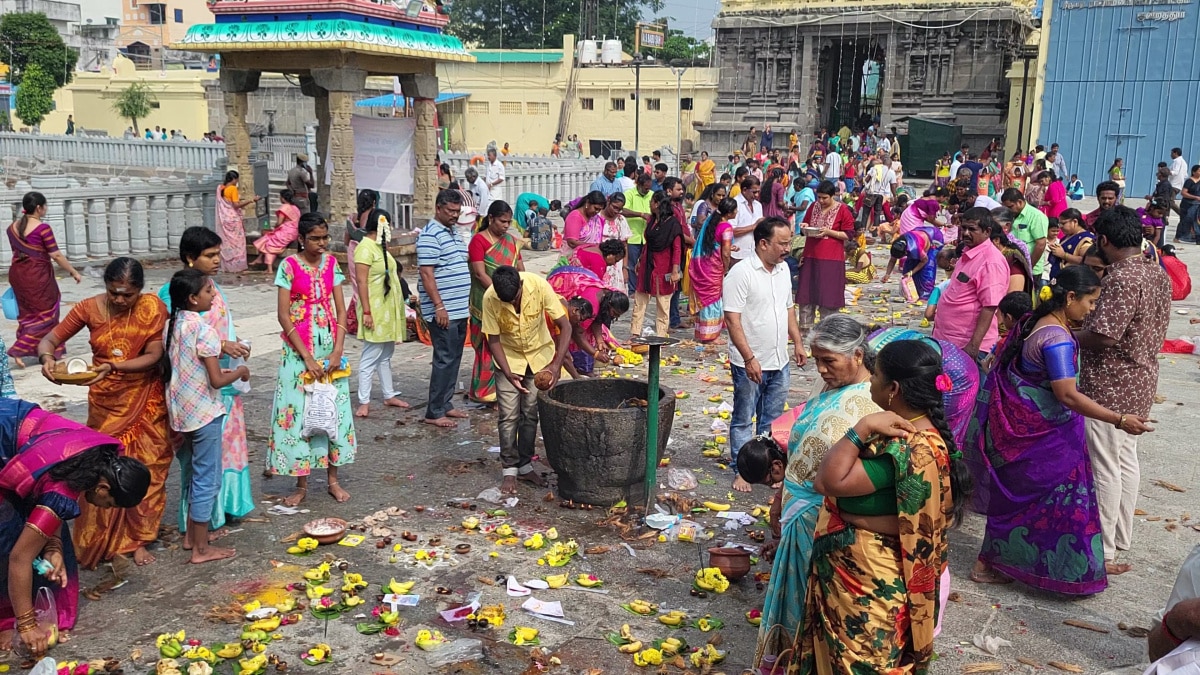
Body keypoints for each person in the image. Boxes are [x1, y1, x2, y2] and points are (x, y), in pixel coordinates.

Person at [969, 266, 1150, 592]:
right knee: (1052, 504)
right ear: (1070, 297)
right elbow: (1067, 394)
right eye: (1091, 302)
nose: (1092, 309)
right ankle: (996, 564)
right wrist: (1119, 419)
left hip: (1030, 432)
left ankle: (1081, 561)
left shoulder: (1033, 323)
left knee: (1037, 505)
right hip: (1044, 437)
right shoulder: (1057, 341)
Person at [798, 338, 967, 675]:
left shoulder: (904, 448)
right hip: (875, 581)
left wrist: (860, 429)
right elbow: (923, 518)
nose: (869, 381)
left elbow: (826, 482)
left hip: (869, 588)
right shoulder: (926, 436)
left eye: (874, 375)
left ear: (893, 388)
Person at [736, 315, 877, 670]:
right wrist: (780, 499)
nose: (822, 369)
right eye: (817, 360)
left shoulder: (871, 402)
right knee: (797, 602)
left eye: (829, 361)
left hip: (824, 521)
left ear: (858, 356)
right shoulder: (830, 388)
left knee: (816, 607)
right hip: (799, 514)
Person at [37, 258, 169, 569]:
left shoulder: (152, 308)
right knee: (101, 473)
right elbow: (51, 339)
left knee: (149, 467)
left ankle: (139, 540)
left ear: (140, 290)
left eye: (128, 294)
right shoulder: (88, 308)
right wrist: (46, 358)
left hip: (145, 399)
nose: (121, 300)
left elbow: (154, 354)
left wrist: (115, 366)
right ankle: (102, 541)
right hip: (106, 403)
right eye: (115, 293)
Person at [0, 398, 150, 656]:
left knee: (47, 536)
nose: (105, 509)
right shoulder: (65, 489)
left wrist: (53, 547)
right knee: (9, 536)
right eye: (109, 503)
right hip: (6, 435)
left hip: (17, 428)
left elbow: (48, 487)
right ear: (103, 488)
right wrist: (26, 627)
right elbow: (19, 558)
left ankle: (36, 609)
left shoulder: (100, 456)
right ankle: (10, 619)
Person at [1076, 205, 1171, 573]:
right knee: (1125, 461)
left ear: (1103, 240)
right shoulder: (1154, 272)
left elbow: (1103, 336)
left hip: (1111, 384)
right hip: (1142, 377)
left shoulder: (1121, 278)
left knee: (1104, 465)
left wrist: (1064, 337)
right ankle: (1120, 536)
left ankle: (1105, 547)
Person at [157, 227, 254, 538]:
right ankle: (198, 528)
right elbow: (176, 341)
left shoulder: (212, 289)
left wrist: (233, 342)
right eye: (210, 255)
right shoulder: (170, 295)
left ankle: (224, 509)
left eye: (218, 254)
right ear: (189, 258)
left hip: (221, 389)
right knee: (201, 464)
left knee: (223, 455)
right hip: (201, 389)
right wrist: (221, 346)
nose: (217, 260)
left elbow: (220, 326)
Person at [267, 213, 356, 506]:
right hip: (297, 349)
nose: (321, 244)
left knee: (333, 410)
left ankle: (333, 480)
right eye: (315, 239)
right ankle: (301, 483)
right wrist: (306, 357)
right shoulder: (289, 267)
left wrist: (337, 350)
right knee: (300, 412)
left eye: (324, 238)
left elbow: (341, 310)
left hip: (330, 345)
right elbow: (282, 315)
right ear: (301, 239)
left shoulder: (331, 264)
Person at [725, 217, 806, 492]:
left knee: (772, 420)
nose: (787, 248)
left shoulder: (783, 270)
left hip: (778, 359)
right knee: (744, 417)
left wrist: (797, 342)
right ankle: (743, 469)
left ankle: (769, 467)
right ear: (763, 243)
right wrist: (749, 358)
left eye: (789, 242)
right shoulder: (741, 273)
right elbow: (732, 319)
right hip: (749, 361)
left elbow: (788, 309)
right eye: (782, 243)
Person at [482, 266, 571, 494]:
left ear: (520, 286)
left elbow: (565, 325)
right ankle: (509, 470)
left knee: (530, 414)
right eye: (507, 303)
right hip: (509, 360)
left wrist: (556, 365)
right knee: (508, 415)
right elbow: (493, 340)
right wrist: (508, 371)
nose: (511, 306)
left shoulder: (538, 285)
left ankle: (525, 465)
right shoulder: (490, 298)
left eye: (514, 300)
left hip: (539, 355)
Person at [5, 192, 81, 367]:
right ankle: (21, 349)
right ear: (39, 208)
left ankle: (51, 349)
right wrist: (73, 271)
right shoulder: (42, 229)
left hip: (18, 275)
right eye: (45, 206)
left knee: (28, 313)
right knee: (47, 313)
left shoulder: (11, 228)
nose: (46, 209)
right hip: (37, 276)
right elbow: (55, 254)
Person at [419, 190, 472, 429]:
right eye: (450, 211)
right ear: (438, 208)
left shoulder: (452, 232)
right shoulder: (430, 235)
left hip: (459, 308)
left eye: (457, 212)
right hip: (444, 310)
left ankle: (446, 403)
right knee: (444, 358)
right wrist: (439, 306)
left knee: (454, 358)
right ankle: (434, 410)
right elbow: (426, 273)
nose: (454, 215)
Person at [931, 208, 1010, 359]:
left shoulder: (991, 262)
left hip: (968, 346)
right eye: (964, 228)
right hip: (948, 341)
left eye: (972, 229)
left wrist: (973, 346)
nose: (966, 233)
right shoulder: (967, 253)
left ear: (987, 231)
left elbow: (990, 306)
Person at [467, 201, 524, 404]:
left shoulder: (512, 241)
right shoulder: (478, 241)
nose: (506, 226)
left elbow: (519, 268)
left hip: (508, 299)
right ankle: (483, 391)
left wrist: (518, 294)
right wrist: (499, 293)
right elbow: (480, 273)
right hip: (485, 300)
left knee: (506, 344)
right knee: (486, 346)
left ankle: (503, 388)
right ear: (490, 219)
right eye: (502, 221)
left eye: (509, 222)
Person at [354, 203, 408, 417]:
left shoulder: (378, 247)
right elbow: (361, 281)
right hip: (374, 308)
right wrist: (367, 311)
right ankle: (364, 401)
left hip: (387, 308)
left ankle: (388, 393)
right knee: (371, 355)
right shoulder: (365, 248)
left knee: (385, 353)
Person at [796, 181, 855, 333]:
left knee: (828, 296)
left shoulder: (842, 210)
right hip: (811, 255)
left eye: (824, 198)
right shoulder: (813, 207)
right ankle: (805, 330)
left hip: (831, 259)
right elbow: (805, 226)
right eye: (819, 198)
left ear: (833, 195)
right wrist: (803, 228)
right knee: (807, 295)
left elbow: (848, 234)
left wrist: (829, 232)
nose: (821, 201)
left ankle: (827, 331)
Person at [547, 267, 628, 375]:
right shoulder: (589, 307)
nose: (613, 317)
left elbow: (598, 319)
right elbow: (577, 333)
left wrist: (600, 341)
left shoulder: (606, 295)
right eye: (614, 313)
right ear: (609, 304)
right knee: (564, 339)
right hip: (559, 284)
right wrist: (595, 354)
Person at [629, 187, 682, 337]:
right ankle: (635, 333)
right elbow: (648, 243)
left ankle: (661, 334)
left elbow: (677, 249)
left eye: (651, 201)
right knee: (640, 300)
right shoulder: (651, 220)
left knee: (663, 304)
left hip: (664, 266)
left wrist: (674, 271)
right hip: (647, 264)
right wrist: (640, 260)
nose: (649, 204)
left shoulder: (673, 224)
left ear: (657, 204)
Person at [688, 197, 736, 343]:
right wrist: (726, 268)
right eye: (735, 210)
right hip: (714, 268)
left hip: (703, 265)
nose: (736, 212)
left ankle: (701, 332)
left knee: (705, 299)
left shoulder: (710, 221)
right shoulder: (726, 227)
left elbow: (713, 243)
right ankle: (711, 336)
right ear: (730, 212)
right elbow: (726, 253)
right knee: (713, 299)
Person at [1001, 187, 1050, 287]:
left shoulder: (1036, 216)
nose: (1008, 210)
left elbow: (1040, 244)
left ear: (1019, 202)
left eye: (1010, 207)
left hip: (1031, 268)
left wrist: (1028, 267)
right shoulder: (1011, 215)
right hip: (1013, 266)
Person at [215, 170, 261, 273]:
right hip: (233, 220)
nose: (237, 182)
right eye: (237, 180)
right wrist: (251, 200)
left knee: (228, 243)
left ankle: (228, 266)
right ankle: (238, 266)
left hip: (224, 219)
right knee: (238, 243)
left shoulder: (220, 188)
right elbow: (236, 205)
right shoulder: (232, 189)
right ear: (234, 179)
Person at [881, 226, 944, 299]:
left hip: (933, 238)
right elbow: (892, 260)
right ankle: (912, 291)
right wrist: (887, 274)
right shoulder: (897, 245)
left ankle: (926, 294)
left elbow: (924, 260)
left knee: (927, 270)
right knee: (907, 269)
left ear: (905, 252)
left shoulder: (914, 248)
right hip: (918, 235)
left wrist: (912, 272)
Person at [251, 188, 301, 273]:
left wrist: (275, 226)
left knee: (269, 243)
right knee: (268, 238)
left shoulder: (284, 207)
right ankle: (259, 259)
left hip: (286, 232)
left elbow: (279, 222)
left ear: (283, 198)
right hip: (294, 232)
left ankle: (269, 269)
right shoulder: (296, 208)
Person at [622, 173, 655, 295]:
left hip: (647, 237)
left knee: (646, 265)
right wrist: (641, 214)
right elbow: (623, 210)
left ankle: (644, 288)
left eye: (649, 188)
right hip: (633, 236)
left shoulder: (652, 195)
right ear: (639, 185)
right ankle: (632, 289)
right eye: (645, 188)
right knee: (632, 265)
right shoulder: (629, 194)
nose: (647, 191)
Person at [559, 191, 607, 263]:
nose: (597, 212)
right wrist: (594, 246)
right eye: (596, 208)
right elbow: (572, 242)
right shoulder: (575, 216)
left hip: (589, 259)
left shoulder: (596, 219)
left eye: (599, 210)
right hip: (572, 259)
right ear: (587, 203)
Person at [1047, 208, 1094, 279]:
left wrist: (1063, 255)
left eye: (1063, 223)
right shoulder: (1068, 236)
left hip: (1072, 280)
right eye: (1059, 224)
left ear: (1075, 221)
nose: (1060, 227)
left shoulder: (1085, 238)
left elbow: (1086, 260)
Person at [731, 178, 765, 263]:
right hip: (737, 253)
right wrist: (754, 226)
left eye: (758, 192)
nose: (757, 195)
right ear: (744, 190)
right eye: (754, 192)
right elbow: (730, 231)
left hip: (755, 253)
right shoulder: (735, 204)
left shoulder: (758, 205)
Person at [1177, 164, 1200, 244]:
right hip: (1187, 204)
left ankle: (1195, 237)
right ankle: (1179, 237)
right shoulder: (1189, 181)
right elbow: (1183, 193)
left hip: (1197, 205)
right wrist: (1195, 197)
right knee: (1185, 220)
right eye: (1199, 171)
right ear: (1194, 172)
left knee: (1196, 221)